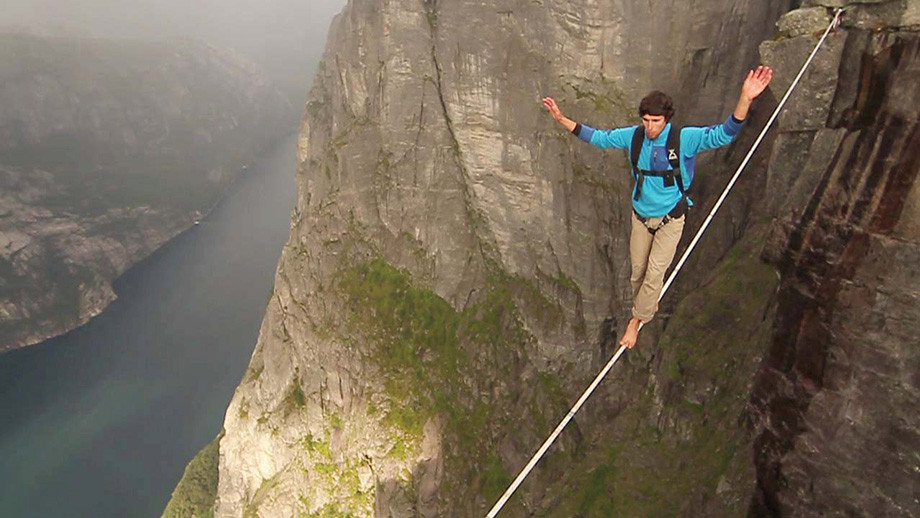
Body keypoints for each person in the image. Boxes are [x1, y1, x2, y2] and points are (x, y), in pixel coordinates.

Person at [543, 66, 773, 349]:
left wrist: (745, 99)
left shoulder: (683, 139)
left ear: (667, 119)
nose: (650, 126)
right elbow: (599, 138)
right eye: (646, 120)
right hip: (640, 216)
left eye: (656, 121)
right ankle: (642, 312)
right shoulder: (634, 136)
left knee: (654, 274)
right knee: (637, 273)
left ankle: (636, 322)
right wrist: (562, 119)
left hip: (670, 219)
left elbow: (724, 134)